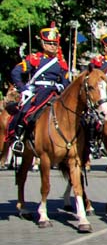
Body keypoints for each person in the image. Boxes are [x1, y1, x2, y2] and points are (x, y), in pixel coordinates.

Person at [6, 22, 70, 154]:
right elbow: (15, 72)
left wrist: (61, 85)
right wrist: (24, 89)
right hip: (38, 91)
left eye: (54, 44)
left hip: (54, 92)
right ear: (43, 44)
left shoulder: (61, 63)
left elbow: (66, 80)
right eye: (49, 43)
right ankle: (18, 138)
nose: (52, 46)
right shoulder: (35, 59)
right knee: (26, 111)